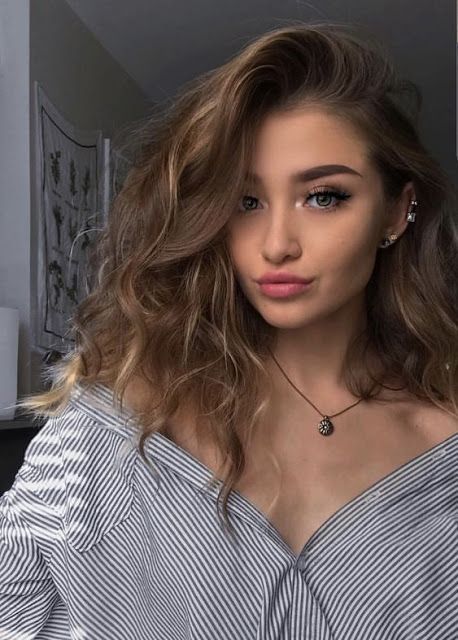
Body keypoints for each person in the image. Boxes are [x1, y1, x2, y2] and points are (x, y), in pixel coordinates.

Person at [1, 21, 457, 640]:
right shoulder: (117, 419)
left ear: (396, 212)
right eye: (245, 202)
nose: (276, 244)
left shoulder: (443, 448)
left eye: (324, 196)